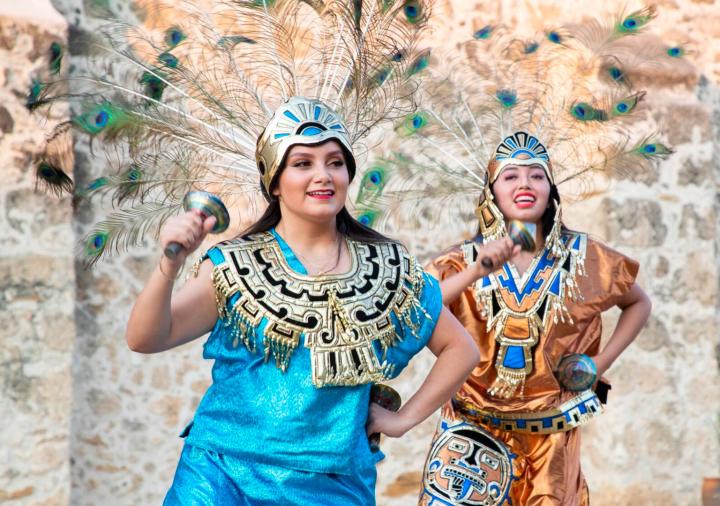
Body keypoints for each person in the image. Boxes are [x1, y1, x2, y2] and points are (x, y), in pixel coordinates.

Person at [126, 97, 479, 504]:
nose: (322, 175)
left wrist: (403, 420)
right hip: (221, 475)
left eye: (335, 162)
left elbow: (461, 349)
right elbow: (145, 338)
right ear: (274, 182)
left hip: (331, 483)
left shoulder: (388, 267)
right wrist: (170, 264)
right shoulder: (235, 266)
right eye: (302, 163)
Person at [420, 132, 651, 505]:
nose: (525, 184)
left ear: (550, 190)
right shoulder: (459, 263)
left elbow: (638, 303)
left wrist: (599, 364)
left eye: (536, 175)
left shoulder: (586, 258)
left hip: (551, 437)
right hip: (471, 431)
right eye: (511, 176)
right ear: (491, 192)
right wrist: (476, 271)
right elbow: (419, 310)